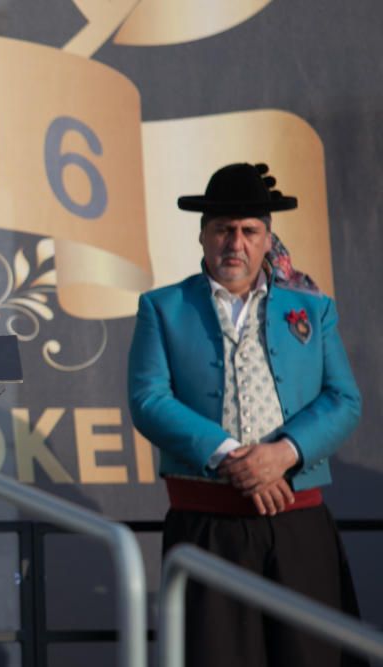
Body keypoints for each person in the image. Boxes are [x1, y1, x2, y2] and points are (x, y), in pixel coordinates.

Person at [127, 162, 363, 667]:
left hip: (298, 525)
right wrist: (233, 457)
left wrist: (283, 453)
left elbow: (344, 399)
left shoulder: (311, 308)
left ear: (266, 238)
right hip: (207, 526)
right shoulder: (162, 307)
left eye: (248, 231)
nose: (235, 242)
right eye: (223, 229)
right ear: (203, 235)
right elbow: (149, 399)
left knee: (312, 657)